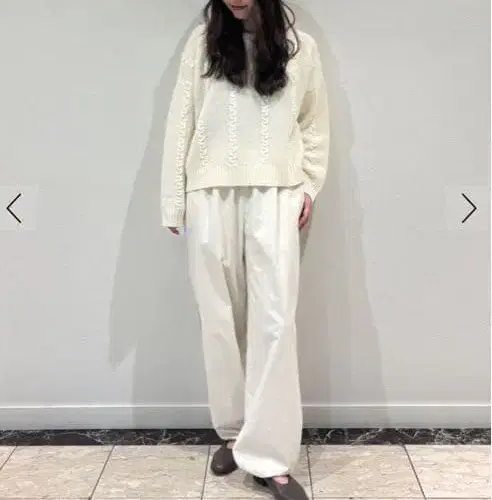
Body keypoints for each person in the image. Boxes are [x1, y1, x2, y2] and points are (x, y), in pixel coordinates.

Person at [161, 0, 329, 498]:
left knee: (274, 322)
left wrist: (309, 186)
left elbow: (314, 124)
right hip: (209, 193)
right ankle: (235, 433)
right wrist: (173, 201)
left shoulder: (301, 48)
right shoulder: (202, 44)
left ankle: (270, 455)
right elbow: (182, 120)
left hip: (277, 192)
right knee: (218, 318)